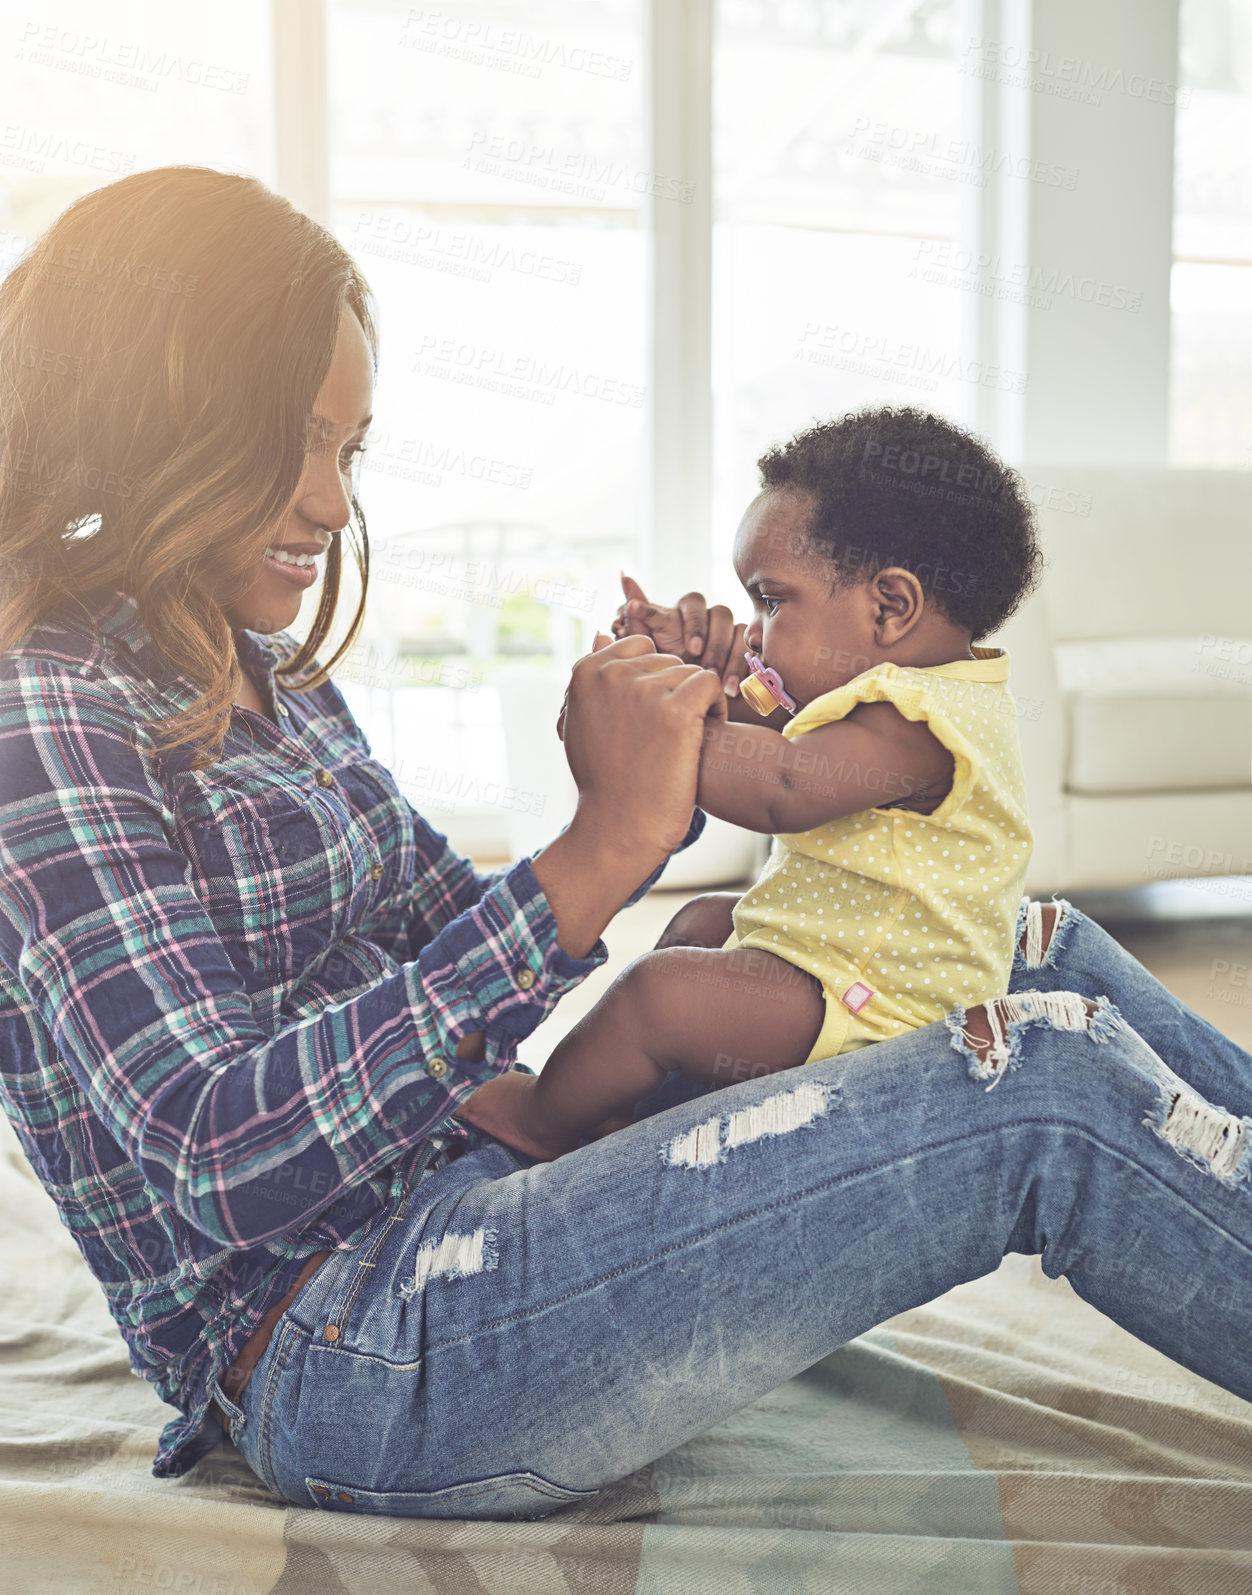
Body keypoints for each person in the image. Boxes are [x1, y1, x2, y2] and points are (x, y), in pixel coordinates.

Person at [0, 169, 1248, 1522]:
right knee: (1044, 1084)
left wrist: (653, 760)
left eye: (348, 452)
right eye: (294, 442)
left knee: (1006, 944)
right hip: (359, 1344)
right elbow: (216, 1156)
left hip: (483, 1187)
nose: (329, 503)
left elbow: (440, 932)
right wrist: (597, 847)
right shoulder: (44, 702)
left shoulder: (258, 667)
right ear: (157, 410)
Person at [452, 411, 1040, 1160]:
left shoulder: (924, 721)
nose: (757, 631)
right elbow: (764, 726)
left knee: (661, 994)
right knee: (703, 922)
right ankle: (633, 1102)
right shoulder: (883, 690)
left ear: (890, 607)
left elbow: (782, 785)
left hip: (880, 1012)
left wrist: (652, 725)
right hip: (834, 967)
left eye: (774, 599)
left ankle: (541, 1117)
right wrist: (683, 669)